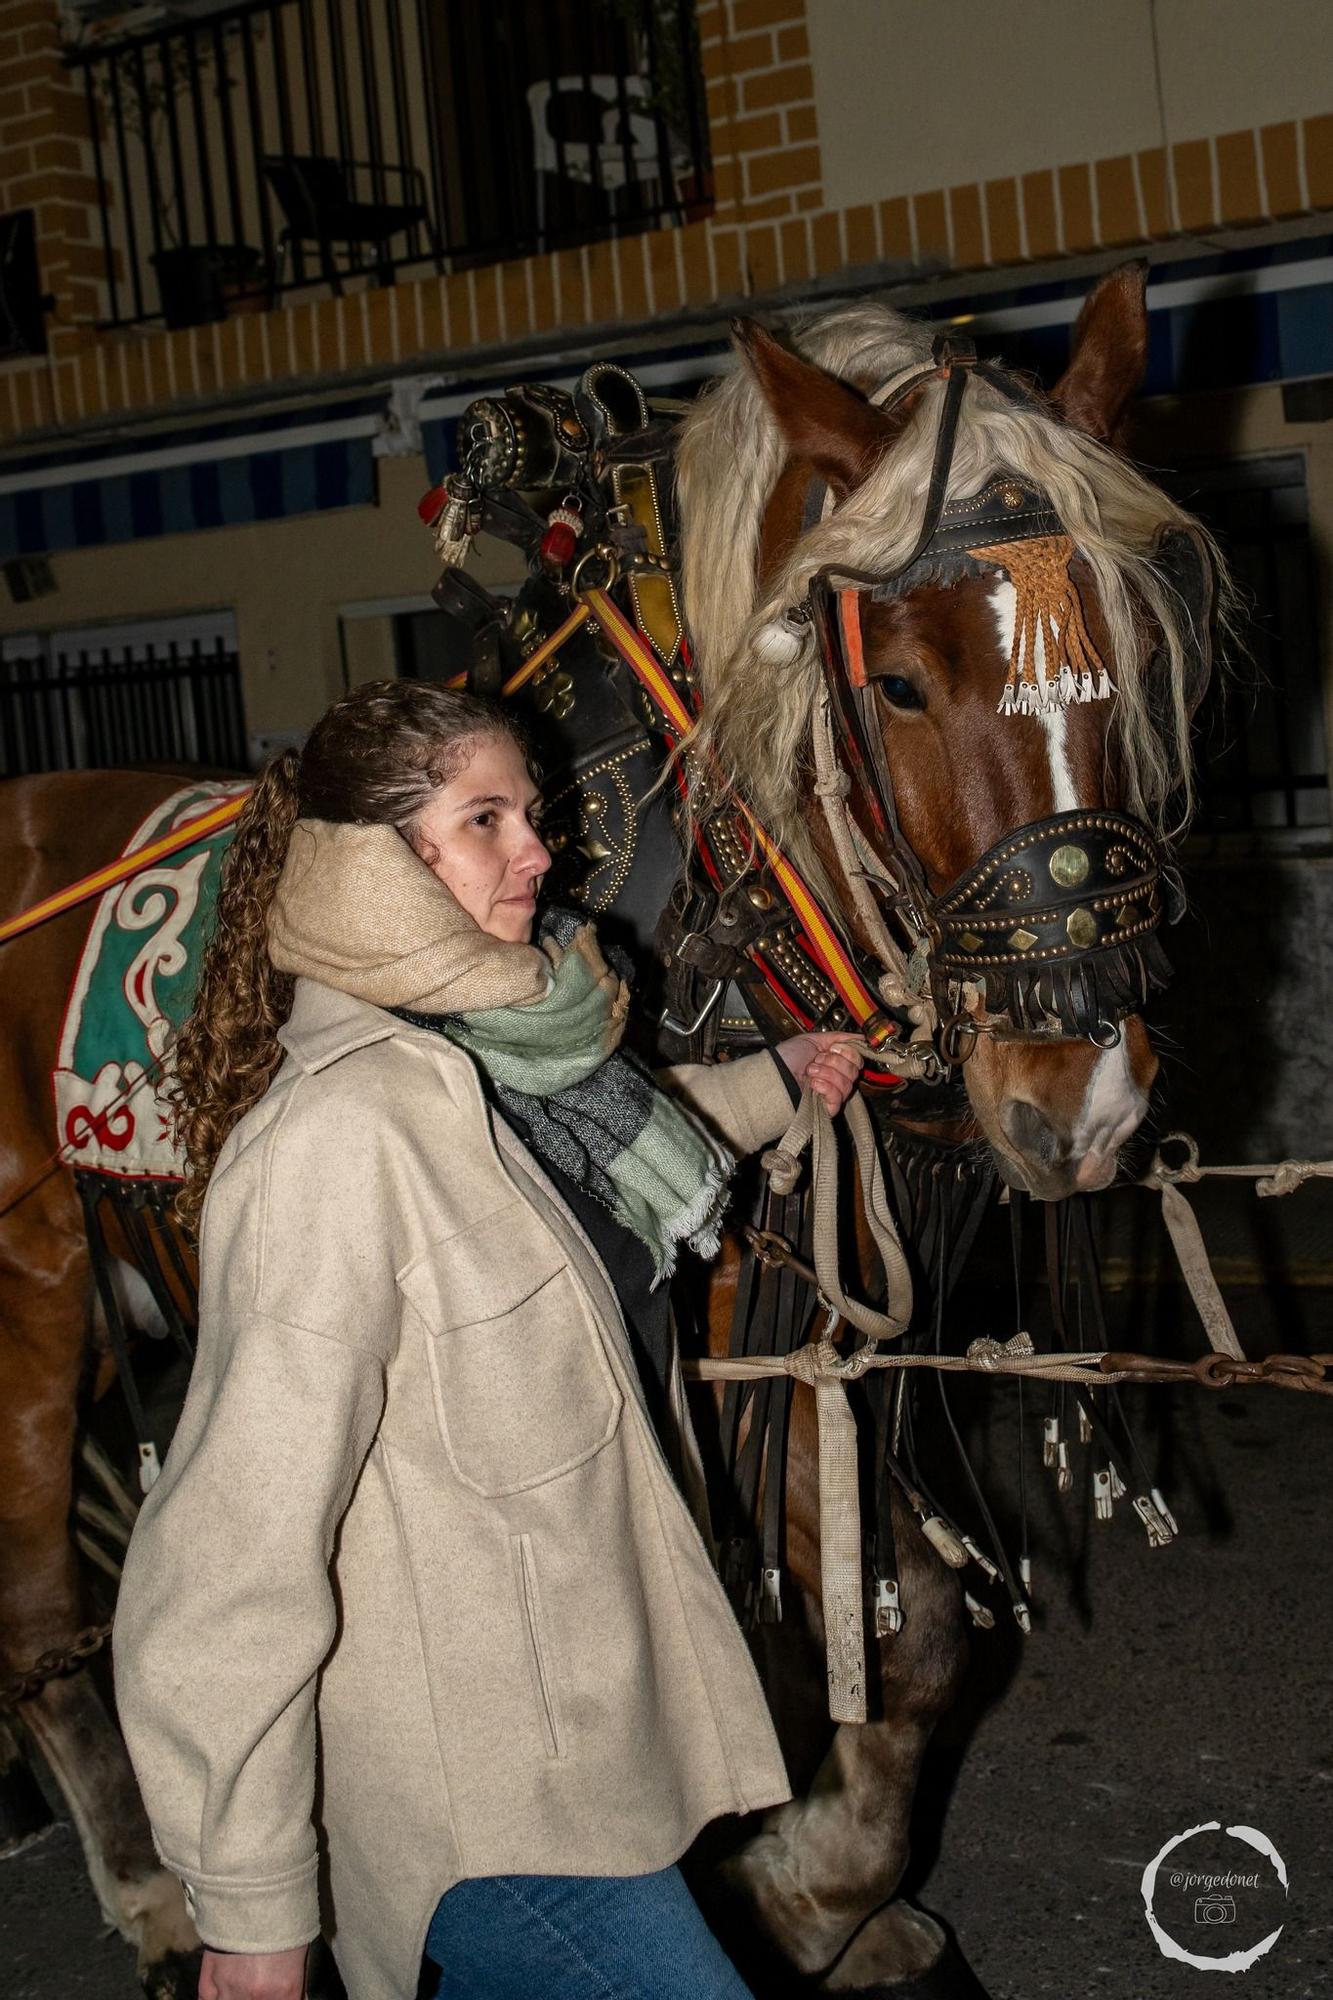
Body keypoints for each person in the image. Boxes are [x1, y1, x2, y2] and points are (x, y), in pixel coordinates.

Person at [114, 680, 865, 2000]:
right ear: (374, 865)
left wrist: (774, 1081)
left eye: (532, 815)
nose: (540, 851)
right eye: (485, 821)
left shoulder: (491, 1056)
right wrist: (250, 1910)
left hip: (573, 1736)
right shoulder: (338, 1140)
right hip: (477, 1793)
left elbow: (589, 1172)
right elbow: (227, 1557)